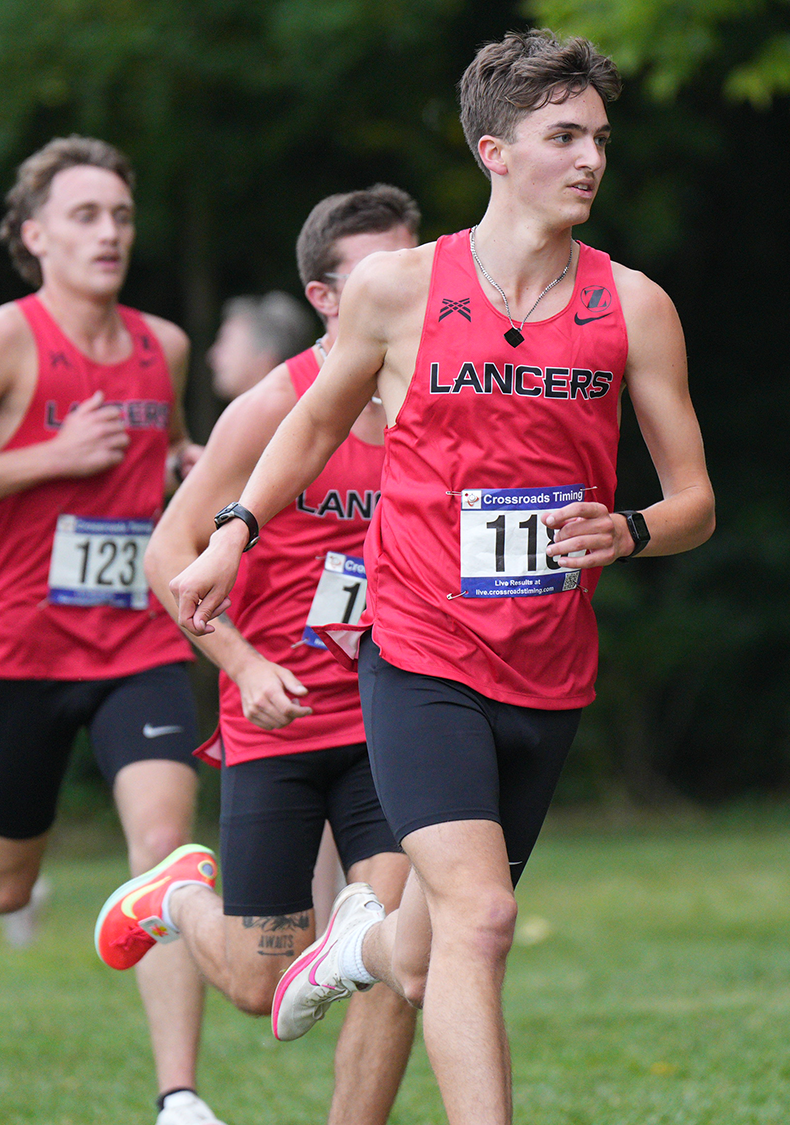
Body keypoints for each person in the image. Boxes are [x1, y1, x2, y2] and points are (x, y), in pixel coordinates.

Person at [168, 31, 716, 1125]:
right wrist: (232, 528)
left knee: (422, 948)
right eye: (562, 136)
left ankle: (354, 946)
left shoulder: (635, 308)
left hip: (547, 670)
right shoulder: (398, 290)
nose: (588, 160)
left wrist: (630, 530)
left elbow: (695, 501)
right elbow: (311, 425)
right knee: (482, 920)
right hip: (418, 658)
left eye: (598, 139)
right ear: (493, 151)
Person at [0, 135, 223, 1125]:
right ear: (34, 236)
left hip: (137, 644)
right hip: (23, 651)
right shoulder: (0, 342)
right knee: (3, 880)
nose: (109, 233)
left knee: (166, 851)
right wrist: (48, 455)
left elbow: (152, 458)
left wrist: (183, 465)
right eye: (85, 216)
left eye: (121, 215)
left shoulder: (163, 345)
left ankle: (177, 1097)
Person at [96, 185, 424, 1125]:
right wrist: (240, 664)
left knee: (404, 951)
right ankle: (178, 895)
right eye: (377, 269)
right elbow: (167, 555)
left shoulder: (433, 408)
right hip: (275, 724)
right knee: (258, 986)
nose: (403, 285)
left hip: (389, 718)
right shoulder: (269, 409)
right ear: (325, 297)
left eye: (413, 264)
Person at [206, 291, 316, 401]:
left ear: (266, 358)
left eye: (226, 345)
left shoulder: (277, 416)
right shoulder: (305, 411)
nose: (212, 357)